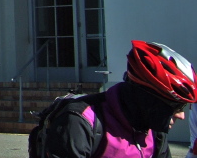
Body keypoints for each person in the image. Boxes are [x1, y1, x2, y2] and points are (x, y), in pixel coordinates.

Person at [43, 40, 197, 158]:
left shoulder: (153, 130)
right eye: (176, 106)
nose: (181, 116)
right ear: (149, 99)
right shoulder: (79, 121)